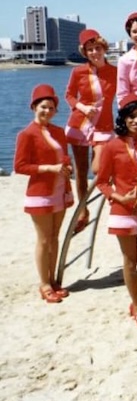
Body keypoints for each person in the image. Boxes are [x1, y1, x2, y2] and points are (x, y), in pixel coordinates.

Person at [96, 95, 137, 329]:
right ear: (123, 118)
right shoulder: (111, 146)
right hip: (123, 209)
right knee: (131, 261)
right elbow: (102, 181)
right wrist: (119, 197)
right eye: (132, 116)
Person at [14, 84, 74, 303]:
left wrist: (68, 168)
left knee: (55, 237)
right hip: (40, 192)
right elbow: (20, 166)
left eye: (51, 108)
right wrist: (49, 168)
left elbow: (65, 158)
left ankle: (54, 280)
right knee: (44, 239)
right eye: (43, 107)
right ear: (34, 107)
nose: (47, 111)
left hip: (60, 189)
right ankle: (44, 283)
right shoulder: (26, 134)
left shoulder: (59, 132)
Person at [64, 29, 116, 233]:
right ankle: (83, 210)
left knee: (98, 168)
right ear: (85, 52)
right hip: (79, 125)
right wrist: (82, 107)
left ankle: (110, 198)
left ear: (104, 48)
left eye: (97, 48)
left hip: (104, 127)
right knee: (81, 173)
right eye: (90, 50)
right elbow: (69, 95)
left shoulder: (115, 71)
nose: (94, 52)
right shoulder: (78, 72)